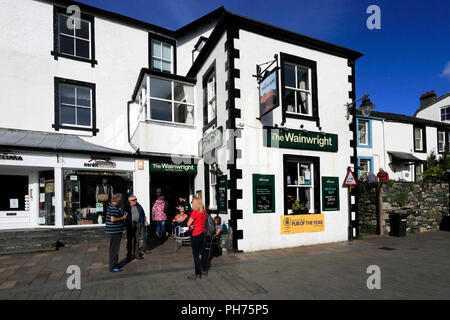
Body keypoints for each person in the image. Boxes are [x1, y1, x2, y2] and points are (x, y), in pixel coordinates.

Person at [186, 197, 208, 280]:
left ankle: (197, 273)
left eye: (192, 202)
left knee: (196, 255)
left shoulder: (194, 212)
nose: (191, 203)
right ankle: (205, 270)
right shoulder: (204, 211)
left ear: (194, 203)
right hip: (202, 233)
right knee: (203, 252)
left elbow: (188, 223)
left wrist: (191, 225)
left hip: (195, 235)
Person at [106, 193, 127, 272]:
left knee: (114, 248)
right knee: (114, 249)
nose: (121, 202)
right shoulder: (114, 208)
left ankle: (115, 263)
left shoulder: (111, 207)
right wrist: (123, 217)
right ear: (118, 200)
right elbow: (113, 219)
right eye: (120, 200)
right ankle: (113, 267)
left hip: (114, 230)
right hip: (115, 231)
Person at [124, 195, 146, 261]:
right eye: (133, 200)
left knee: (137, 239)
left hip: (138, 224)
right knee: (130, 240)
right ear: (129, 201)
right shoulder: (126, 207)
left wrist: (142, 221)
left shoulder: (139, 206)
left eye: (136, 199)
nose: (135, 201)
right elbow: (122, 214)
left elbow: (143, 213)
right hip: (130, 225)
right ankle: (129, 255)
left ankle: (136, 254)